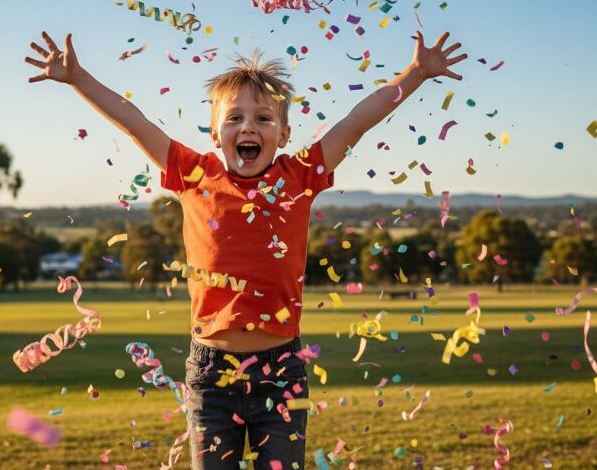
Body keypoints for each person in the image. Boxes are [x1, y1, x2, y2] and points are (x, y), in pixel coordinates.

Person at [24, 30, 466, 469]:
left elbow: (354, 122)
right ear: (215, 133)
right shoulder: (193, 175)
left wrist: (416, 73)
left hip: (282, 372)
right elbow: (135, 121)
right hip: (211, 374)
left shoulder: (300, 176)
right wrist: (78, 78)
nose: (248, 127)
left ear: (284, 133)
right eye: (234, 118)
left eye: (263, 118)